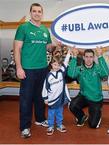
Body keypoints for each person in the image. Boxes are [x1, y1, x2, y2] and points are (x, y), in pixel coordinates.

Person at [13, 3, 56, 138]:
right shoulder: (23, 28)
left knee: (40, 96)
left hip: (43, 68)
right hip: (28, 69)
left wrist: (57, 45)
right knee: (26, 99)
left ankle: (39, 119)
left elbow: (49, 48)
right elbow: (17, 49)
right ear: (30, 13)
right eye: (34, 11)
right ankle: (25, 127)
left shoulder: (44, 30)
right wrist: (19, 67)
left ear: (42, 13)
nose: (37, 13)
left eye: (39, 11)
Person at [68, 47, 109, 128]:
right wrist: (74, 57)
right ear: (83, 57)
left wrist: (100, 56)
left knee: (93, 125)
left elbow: (105, 73)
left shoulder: (97, 68)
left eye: (91, 57)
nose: (89, 59)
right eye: (86, 57)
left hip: (96, 99)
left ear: (93, 58)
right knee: (72, 106)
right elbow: (71, 74)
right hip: (84, 96)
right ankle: (82, 117)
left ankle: (97, 113)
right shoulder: (80, 69)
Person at [42, 49, 71, 136]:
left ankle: (59, 125)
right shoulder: (49, 76)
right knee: (51, 113)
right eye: (55, 64)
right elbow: (45, 88)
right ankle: (50, 126)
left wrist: (69, 53)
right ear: (51, 65)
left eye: (58, 65)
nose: (57, 66)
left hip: (60, 98)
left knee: (59, 112)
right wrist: (45, 98)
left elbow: (65, 62)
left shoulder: (61, 72)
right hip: (52, 98)